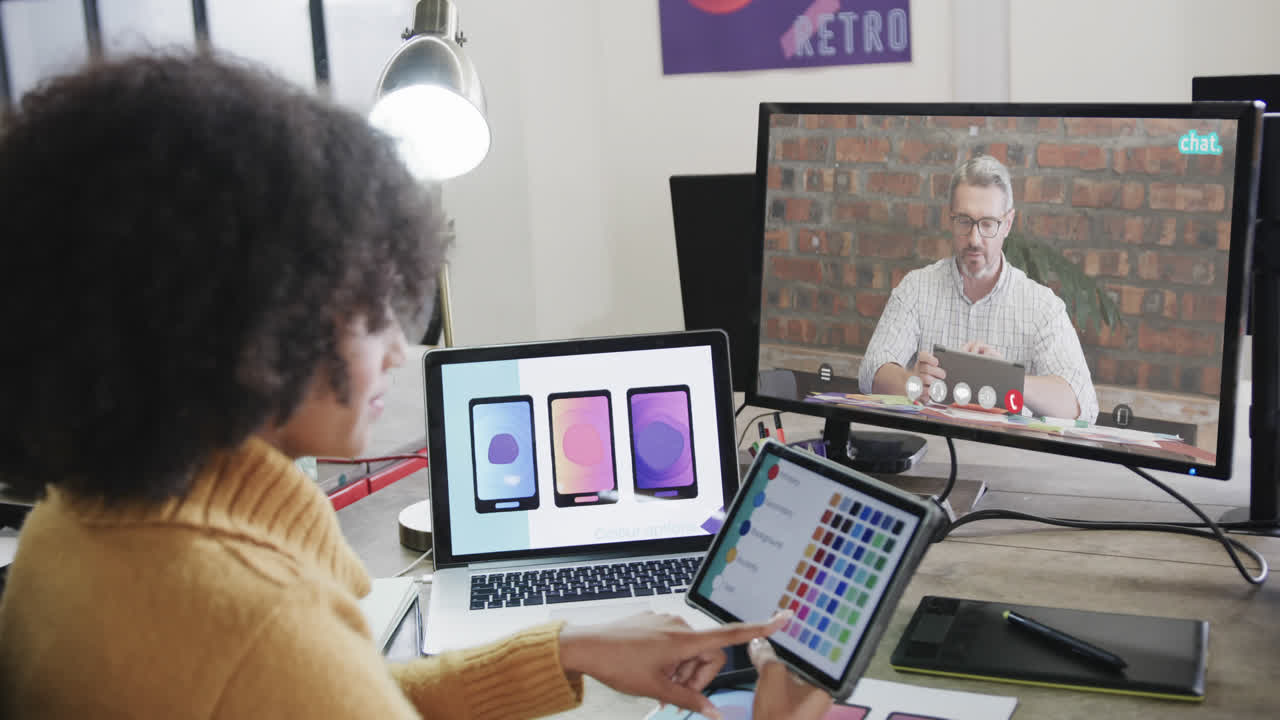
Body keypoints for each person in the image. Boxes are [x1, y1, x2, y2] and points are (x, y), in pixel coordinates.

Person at [0, 55, 832, 720]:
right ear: (247, 321)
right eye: (369, 311)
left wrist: (567, 649)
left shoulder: (70, 525)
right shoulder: (256, 628)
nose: (401, 349)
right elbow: (301, 680)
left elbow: (344, 696)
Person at [857, 155, 1098, 421]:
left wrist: (1007, 379)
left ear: (1007, 224)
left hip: (1007, 447)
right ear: (950, 219)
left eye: (987, 224)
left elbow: (1083, 405)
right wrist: (911, 382)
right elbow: (870, 372)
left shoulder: (1042, 307)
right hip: (930, 442)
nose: (974, 239)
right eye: (964, 221)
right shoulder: (916, 288)